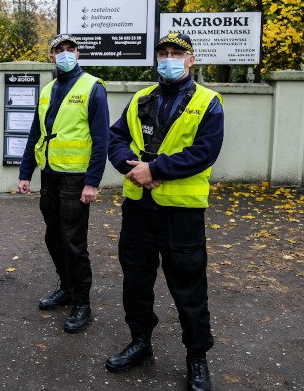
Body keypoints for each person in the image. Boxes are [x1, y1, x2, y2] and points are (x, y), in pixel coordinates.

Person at [106, 32, 224, 391]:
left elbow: (205, 151)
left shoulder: (208, 102)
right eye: (164, 53)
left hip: (181, 214)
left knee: (188, 288)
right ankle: (141, 343)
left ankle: (197, 358)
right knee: (136, 282)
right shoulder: (142, 98)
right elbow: (116, 138)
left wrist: (155, 170)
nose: (169, 58)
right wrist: (131, 168)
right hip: (140, 209)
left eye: (177, 53)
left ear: (191, 59)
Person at [17, 34, 109, 334]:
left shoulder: (92, 87)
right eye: (59, 50)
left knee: (73, 241)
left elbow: (101, 139)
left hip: (76, 177)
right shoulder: (47, 90)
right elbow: (36, 133)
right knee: (53, 236)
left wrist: (92, 182)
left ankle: (83, 302)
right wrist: (25, 172)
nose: (65, 54)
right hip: (50, 174)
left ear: (78, 54)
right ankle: (66, 287)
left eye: (70, 49)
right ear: (51, 56)